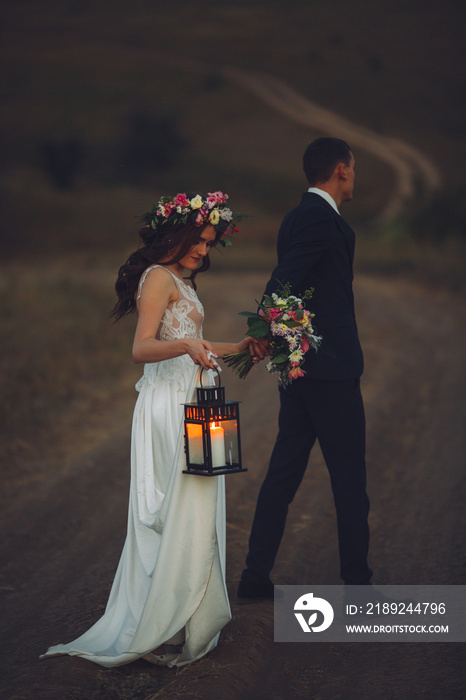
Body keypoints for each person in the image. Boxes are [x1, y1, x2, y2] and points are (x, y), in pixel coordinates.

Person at [41, 191, 254, 667]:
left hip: (191, 397)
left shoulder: (179, 278)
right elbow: (142, 348)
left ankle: (182, 619)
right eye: (198, 240)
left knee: (193, 505)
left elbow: (191, 341)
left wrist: (238, 347)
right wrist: (186, 349)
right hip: (168, 404)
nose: (203, 250)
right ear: (174, 234)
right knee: (174, 507)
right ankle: (165, 623)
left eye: (210, 243)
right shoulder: (158, 277)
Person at [238, 138, 373, 601]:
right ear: (341, 170)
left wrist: (282, 344)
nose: (354, 176)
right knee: (349, 477)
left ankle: (256, 576)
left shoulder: (297, 216)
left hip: (300, 370)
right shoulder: (319, 219)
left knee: (285, 471)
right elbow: (284, 279)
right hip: (329, 371)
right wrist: (262, 327)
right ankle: (357, 583)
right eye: (353, 169)